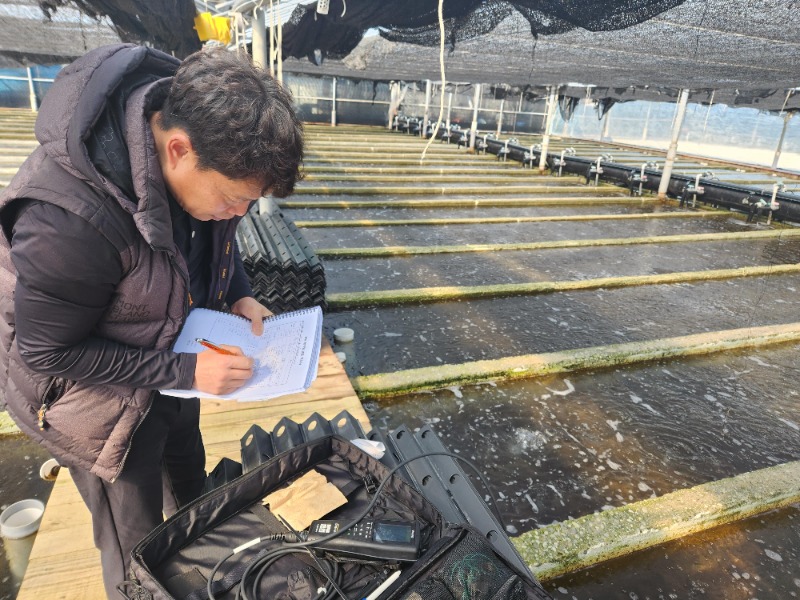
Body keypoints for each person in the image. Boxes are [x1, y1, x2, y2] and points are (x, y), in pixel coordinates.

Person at [0, 44, 303, 597]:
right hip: (95, 402)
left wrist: (239, 292)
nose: (239, 214)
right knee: (135, 544)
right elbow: (46, 352)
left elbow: (216, 233)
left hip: (169, 362)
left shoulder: (205, 160)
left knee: (190, 488)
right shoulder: (68, 221)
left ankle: (201, 570)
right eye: (233, 199)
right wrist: (188, 372)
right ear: (178, 149)